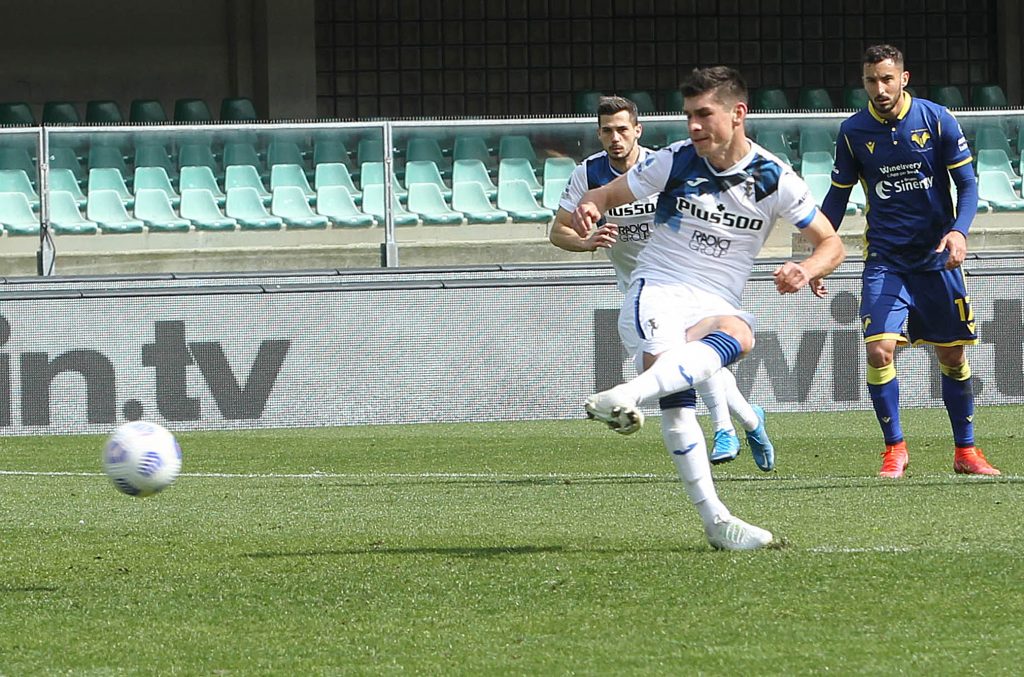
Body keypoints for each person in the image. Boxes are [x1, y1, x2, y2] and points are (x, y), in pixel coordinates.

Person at [571, 67, 845, 550]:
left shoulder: (773, 177)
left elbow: (832, 244)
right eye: (689, 116)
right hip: (656, 288)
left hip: (715, 300)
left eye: (704, 114)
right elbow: (604, 194)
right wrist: (591, 207)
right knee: (680, 402)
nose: (694, 126)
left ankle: (626, 395)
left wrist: (806, 270)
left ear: (738, 113)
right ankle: (715, 520)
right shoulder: (675, 160)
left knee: (740, 334)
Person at [549, 95, 775, 470]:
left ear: (638, 130)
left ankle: (724, 430)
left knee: (687, 355)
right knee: (677, 366)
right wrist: (586, 242)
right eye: (607, 131)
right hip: (639, 292)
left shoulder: (661, 167)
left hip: (685, 280)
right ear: (599, 135)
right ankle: (751, 420)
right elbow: (558, 231)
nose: (615, 138)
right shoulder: (588, 174)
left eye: (623, 129)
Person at [819, 44, 999, 479]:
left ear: (904, 78)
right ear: (863, 82)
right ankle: (895, 449)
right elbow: (837, 197)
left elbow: (968, 185)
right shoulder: (853, 132)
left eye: (887, 79)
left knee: (952, 355)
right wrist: (816, 256)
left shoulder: (936, 119)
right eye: (871, 80)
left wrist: (959, 231)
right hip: (886, 260)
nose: (879, 88)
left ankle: (966, 451)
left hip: (937, 259)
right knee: (879, 350)